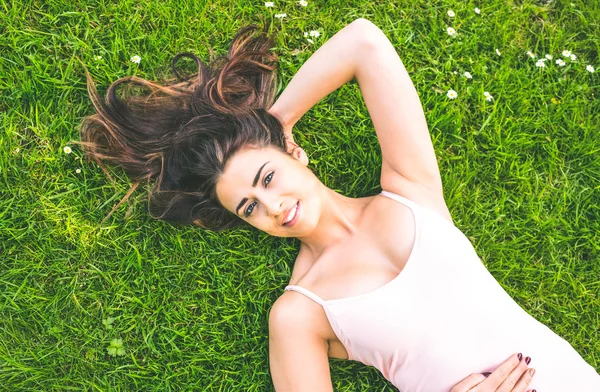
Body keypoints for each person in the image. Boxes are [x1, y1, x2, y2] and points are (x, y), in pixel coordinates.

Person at [79, 18, 600, 392]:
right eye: (249, 208)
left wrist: (274, 123)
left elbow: (364, 43)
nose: (272, 205)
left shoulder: (409, 189)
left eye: (268, 177)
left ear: (294, 154)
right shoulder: (299, 314)